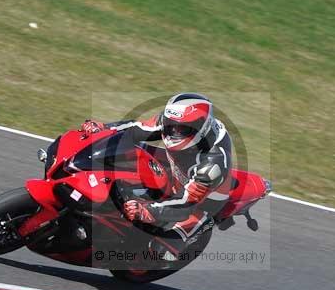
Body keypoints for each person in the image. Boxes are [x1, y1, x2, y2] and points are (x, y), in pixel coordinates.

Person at [81, 93, 232, 258]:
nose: (173, 132)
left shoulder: (213, 163)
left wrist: (147, 212)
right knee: (131, 158)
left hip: (201, 199)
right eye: (170, 125)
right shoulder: (173, 121)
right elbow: (138, 129)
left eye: (180, 129)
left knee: (161, 250)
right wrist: (104, 128)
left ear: (200, 128)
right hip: (177, 168)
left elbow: (186, 202)